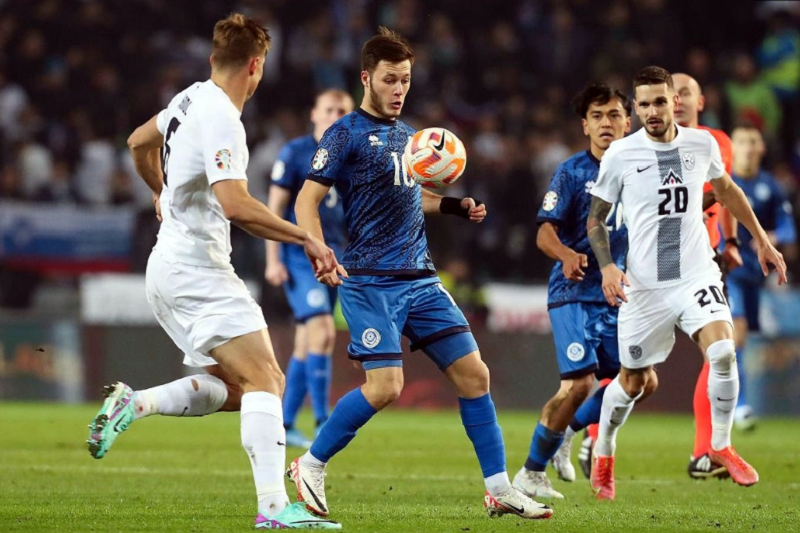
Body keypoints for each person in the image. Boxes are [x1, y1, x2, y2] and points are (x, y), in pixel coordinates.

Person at [85, 14, 342, 530]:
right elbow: (236, 205)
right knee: (268, 378)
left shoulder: (188, 98)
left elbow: (137, 141)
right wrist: (306, 237)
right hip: (196, 269)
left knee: (243, 388)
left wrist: (159, 190)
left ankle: (135, 404)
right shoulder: (223, 117)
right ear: (256, 67)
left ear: (212, 59)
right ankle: (274, 509)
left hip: (167, 268)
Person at [289, 27, 553, 521]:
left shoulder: (409, 137)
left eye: (405, 80)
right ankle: (310, 463)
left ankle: (499, 489)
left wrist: (454, 205)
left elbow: (410, 195)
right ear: (366, 78)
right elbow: (307, 199)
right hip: (370, 281)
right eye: (390, 79)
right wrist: (317, 246)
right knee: (385, 387)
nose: (399, 89)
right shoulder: (345, 133)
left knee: (475, 375)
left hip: (421, 280)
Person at [586, 66, 787, 500]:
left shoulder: (702, 144)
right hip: (645, 287)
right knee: (632, 383)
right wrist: (606, 267)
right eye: (644, 104)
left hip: (696, 272)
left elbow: (728, 191)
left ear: (673, 102)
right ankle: (604, 449)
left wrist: (761, 241)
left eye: (660, 101)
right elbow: (595, 220)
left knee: (723, 350)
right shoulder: (621, 154)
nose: (652, 111)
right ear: (635, 108)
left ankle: (720, 446)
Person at [513, 83, 657, 500]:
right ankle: (530, 473)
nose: (605, 123)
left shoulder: (643, 170)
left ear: (628, 122)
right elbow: (544, 233)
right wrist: (565, 255)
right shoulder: (572, 172)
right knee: (579, 385)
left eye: (613, 115)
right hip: (573, 292)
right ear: (585, 126)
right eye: (597, 116)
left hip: (618, 296)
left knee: (642, 381)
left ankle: (567, 431)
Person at [265, 89, 355, 449]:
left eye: (342, 111)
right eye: (329, 109)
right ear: (314, 114)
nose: (335, 115)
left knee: (307, 342)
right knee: (323, 331)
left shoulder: (352, 157)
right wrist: (272, 260)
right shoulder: (295, 153)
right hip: (300, 257)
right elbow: (274, 210)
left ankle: (285, 423)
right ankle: (322, 422)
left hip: (337, 256)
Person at [672, 72, 744, 479]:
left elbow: (725, 192)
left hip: (705, 259)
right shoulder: (643, 146)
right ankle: (594, 439)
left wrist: (730, 241)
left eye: (686, 93)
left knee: (718, 351)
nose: (677, 100)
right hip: (656, 259)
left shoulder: (716, 142)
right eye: (671, 94)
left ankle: (706, 452)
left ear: (700, 102)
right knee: (629, 367)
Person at [726, 123, 797, 428]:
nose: (748, 148)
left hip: (755, 275)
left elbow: (788, 228)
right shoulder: (722, 181)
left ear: (762, 148)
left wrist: (770, 237)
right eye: (742, 142)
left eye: (753, 141)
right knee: (738, 330)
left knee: (744, 337)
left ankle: (726, 395)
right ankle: (739, 403)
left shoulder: (771, 187)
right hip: (727, 270)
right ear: (732, 147)